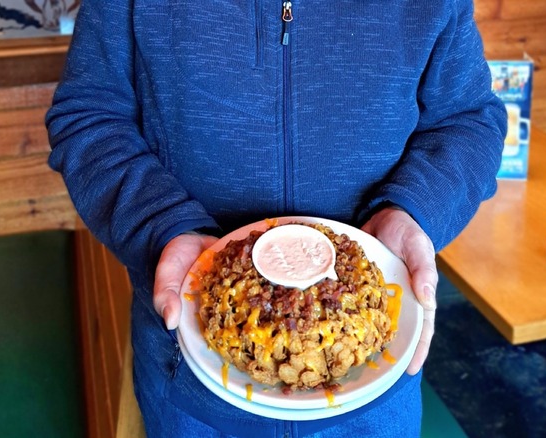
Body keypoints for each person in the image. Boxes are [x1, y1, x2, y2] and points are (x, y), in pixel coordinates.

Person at [46, 1, 506, 437]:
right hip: (189, 381)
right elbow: (89, 114)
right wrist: (161, 224)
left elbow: (468, 120)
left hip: (374, 385)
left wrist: (414, 209)